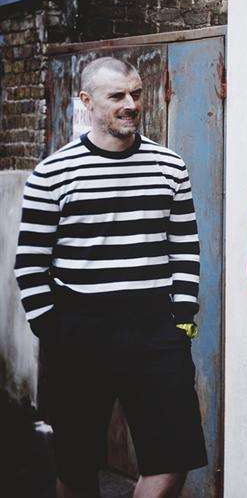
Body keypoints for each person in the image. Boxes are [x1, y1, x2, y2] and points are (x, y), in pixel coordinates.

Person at [15, 57, 207, 498]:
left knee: (173, 459)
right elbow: (30, 263)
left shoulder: (169, 166)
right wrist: (53, 330)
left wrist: (181, 317)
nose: (131, 104)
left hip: (156, 329)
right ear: (87, 102)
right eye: (117, 95)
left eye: (136, 94)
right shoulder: (53, 174)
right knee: (77, 467)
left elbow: (184, 248)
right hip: (79, 331)